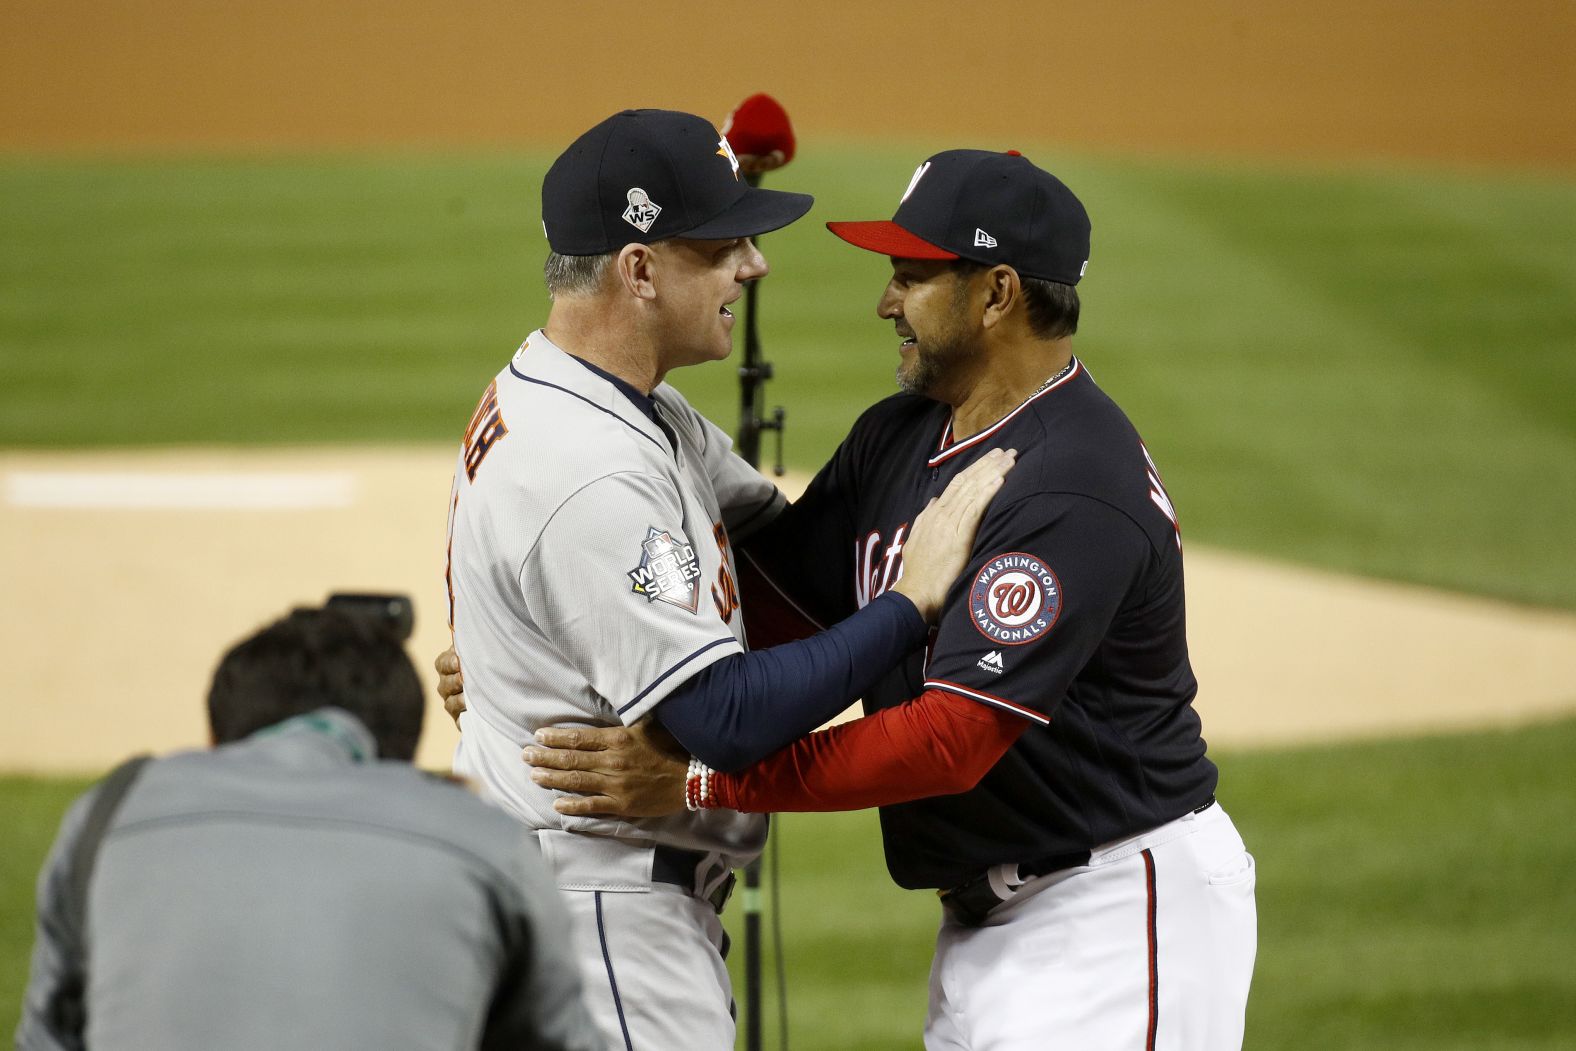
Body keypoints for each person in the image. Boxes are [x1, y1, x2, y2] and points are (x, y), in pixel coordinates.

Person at [515, 149, 1259, 1049]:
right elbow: (763, 606)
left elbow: (948, 741)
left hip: (1111, 915)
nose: (885, 301)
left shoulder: (1073, 488)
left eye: (911, 276)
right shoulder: (899, 436)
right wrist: (566, 645)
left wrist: (701, 779)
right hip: (987, 925)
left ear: (997, 293)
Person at [441, 110, 1013, 1051]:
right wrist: (911, 601)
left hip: (584, 900)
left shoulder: (616, 404)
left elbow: (788, 565)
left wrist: (511, 653)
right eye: (724, 245)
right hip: (599, 919)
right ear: (638, 269)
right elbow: (722, 718)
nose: (755, 266)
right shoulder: (591, 468)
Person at [17, 604, 599, 1051]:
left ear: (218, 742)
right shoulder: (480, 835)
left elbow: (47, 1036)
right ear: (395, 758)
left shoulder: (112, 812)